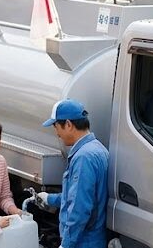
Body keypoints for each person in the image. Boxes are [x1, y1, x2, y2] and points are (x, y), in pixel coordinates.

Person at [36, 99, 109, 248]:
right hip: (95, 238)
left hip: (84, 241)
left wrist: (66, 244)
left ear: (68, 124)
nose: (57, 134)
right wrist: (50, 199)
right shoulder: (98, 149)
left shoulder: (83, 157)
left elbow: (80, 207)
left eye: (56, 127)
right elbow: (79, 196)